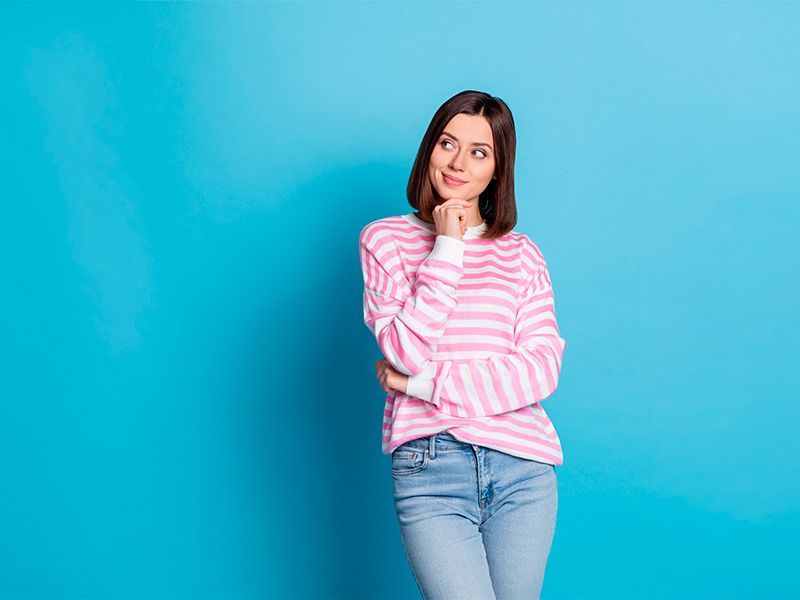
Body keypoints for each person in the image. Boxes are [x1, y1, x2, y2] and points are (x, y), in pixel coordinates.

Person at [358, 90, 567, 600]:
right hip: (430, 468)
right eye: (448, 143)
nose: (457, 163)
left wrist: (421, 384)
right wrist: (448, 248)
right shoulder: (384, 241)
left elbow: (540, 372)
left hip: (523, 467)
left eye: (479, 152)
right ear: (429, 148)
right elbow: (405, 349)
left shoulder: (521, 254)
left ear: (498, 169)